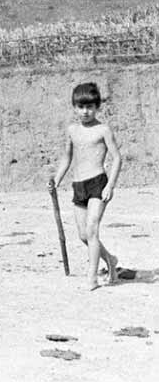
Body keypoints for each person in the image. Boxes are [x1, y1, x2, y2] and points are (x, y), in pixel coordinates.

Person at [49, 82, 122, 291]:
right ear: (74, 107)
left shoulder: (103, 130)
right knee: (83, 235)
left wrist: (110, 185)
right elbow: (67, 157)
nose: (85, 111)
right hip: (78, 185)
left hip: (98, 183)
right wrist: (57, 180)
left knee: (92, 230)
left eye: (90, 107)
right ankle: (110, 260)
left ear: (97, 107)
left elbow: (117, 158)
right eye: (81, 107)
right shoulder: (72, 130)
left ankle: (92, 277)